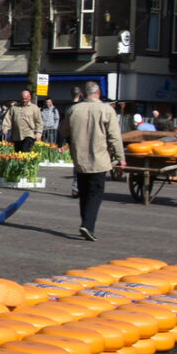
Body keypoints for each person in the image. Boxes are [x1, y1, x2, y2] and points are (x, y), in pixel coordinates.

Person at [61, 79, 123, 241]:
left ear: (84, 93)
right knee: (95, 193)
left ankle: (85, 222)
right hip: (99, 158)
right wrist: (120, 157)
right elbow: (115, 137)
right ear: (99, 93)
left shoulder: (74, 109)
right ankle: (88, 225)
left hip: (80, 159)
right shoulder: (107, 110)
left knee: (84, 192)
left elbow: (64, 130)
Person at [2, 88, 43, 154]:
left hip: (29, 134)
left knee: (25, 151)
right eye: (22, 99)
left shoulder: (34, 108)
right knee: (18, 153)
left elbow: (39, 122)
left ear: (30, 98)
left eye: (25, 99)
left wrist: (38, 133)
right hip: (17, 135)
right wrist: (6, 127)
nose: (24, 100)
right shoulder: (14, 108)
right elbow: (8, 118)